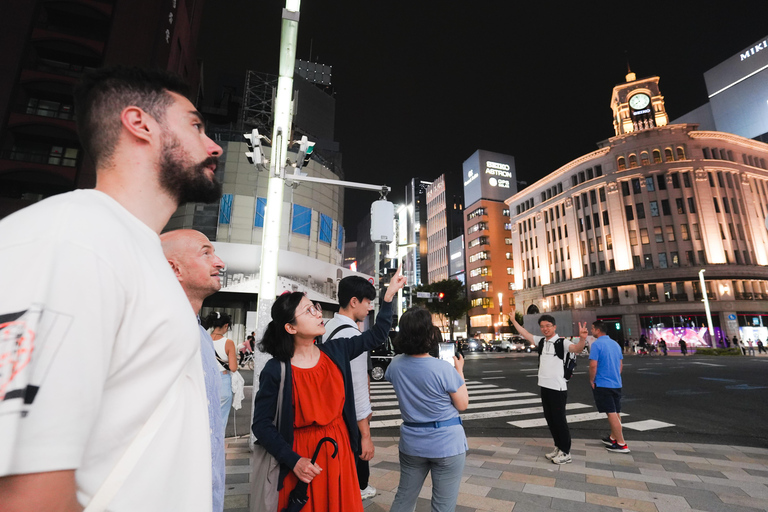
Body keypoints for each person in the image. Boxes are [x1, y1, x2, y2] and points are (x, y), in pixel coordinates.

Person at [0, 66, 223, 511]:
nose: (214, 145)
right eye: (196, 126)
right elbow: (27, 493)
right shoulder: (71, 237)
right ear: (139, 124)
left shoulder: (135, 251)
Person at [252, 267, 406, 512]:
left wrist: (388, 298)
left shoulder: (335, 351)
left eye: (315, 307)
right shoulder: (276, 369)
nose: (318, 313)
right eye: (309, 310)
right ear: (290, 328)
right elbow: (261, 424)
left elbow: (376, 335)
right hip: (302, 459)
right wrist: (294, 460)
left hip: (339, 448)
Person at [161, 228, 227, 511]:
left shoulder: (199, 333)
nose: (220, 262)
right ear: (174, 268)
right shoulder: (154, 332)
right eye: (206, 253)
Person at [386, 309, 468, 512]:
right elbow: (462, 404)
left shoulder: (394, 365)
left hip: (412, 441)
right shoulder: (443, 369)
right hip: (447, 443)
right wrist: (459, 370)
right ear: (428, 334)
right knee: (443, 505)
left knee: (404, 498)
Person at [320, 276, 378, 500]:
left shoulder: (325, 327)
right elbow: (358, 389)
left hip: (328, 412)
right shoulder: (352, 336)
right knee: (350, 481)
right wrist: (365, 435)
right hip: (346, 416)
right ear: (354, 301)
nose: (369, 306)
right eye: (367, 301)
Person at [510, 307, 587, 465]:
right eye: (542, 326)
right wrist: (513, 321)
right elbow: (525, 333)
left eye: (548, 326)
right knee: (550, 419)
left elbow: (577, 349)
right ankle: (558, 447)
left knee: (559, 420)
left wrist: (582, 339)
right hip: (545, 386)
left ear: (554, 327)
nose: (545, 329)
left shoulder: (562, 342)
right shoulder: (542, 342)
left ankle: (566, 452)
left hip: (557, 388)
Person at [589, 321, 630, 453]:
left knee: (611, 413)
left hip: (602, 382)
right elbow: (620, 365)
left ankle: (621, 443)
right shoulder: (615, 344)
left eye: (592, 328)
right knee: (616, 411)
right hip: (616, 382)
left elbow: (593, 365)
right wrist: (615, 376)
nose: (591, 330)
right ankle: (613, 437)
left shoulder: (596, 345)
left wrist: (592, 379)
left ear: (597, 330)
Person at [206, 312, 238, 428]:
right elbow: (233, 368)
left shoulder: (204, 340)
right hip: (223, 381)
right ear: (226, 325)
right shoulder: (228, 343)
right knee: (220, 420)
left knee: (206, 417)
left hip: (206, 380)